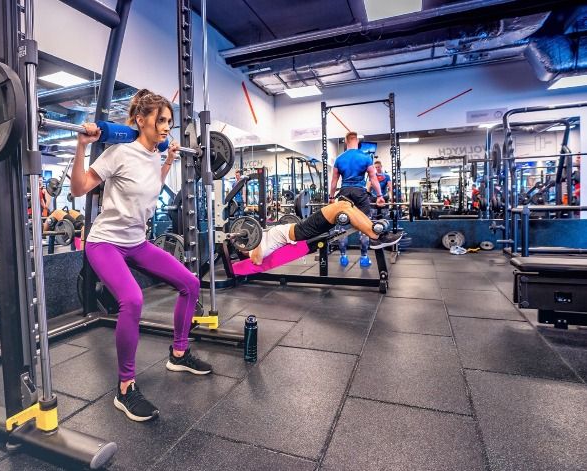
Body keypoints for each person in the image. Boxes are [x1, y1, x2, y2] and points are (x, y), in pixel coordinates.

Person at [70, 89, 210, 423]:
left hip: (136, 242)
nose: (167, 127)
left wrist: (168, 162)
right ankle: (125, 388)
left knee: (190, 284)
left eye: (169, 121)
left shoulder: (154, 155)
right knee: (132, 300)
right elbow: (78, 189)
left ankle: (179, 353)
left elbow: (150, 190)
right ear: (140, 121)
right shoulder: (118, 153)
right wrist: (81, 147)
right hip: (104, 243)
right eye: (161, 120)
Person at [244, 196, 403, 269]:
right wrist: (255, 239)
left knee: (346, 204)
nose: (244, 240)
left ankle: (375, 231)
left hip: (300, 227)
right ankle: (375, 236)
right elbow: (257, 261)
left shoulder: (260, 238)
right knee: (341, 205)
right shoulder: (254, 250)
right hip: (301, 231)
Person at [330, 132, 385, 268]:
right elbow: (373, 178)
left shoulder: (339, 159)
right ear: (357, 141)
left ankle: (343, 257)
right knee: (365, 225)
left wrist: (331, 198)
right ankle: (364, 258)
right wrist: (379, 196)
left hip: (344, 193)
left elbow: (334, 181)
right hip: (360, 193)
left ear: (346, 141)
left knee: (342, 226)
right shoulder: (365, 157)